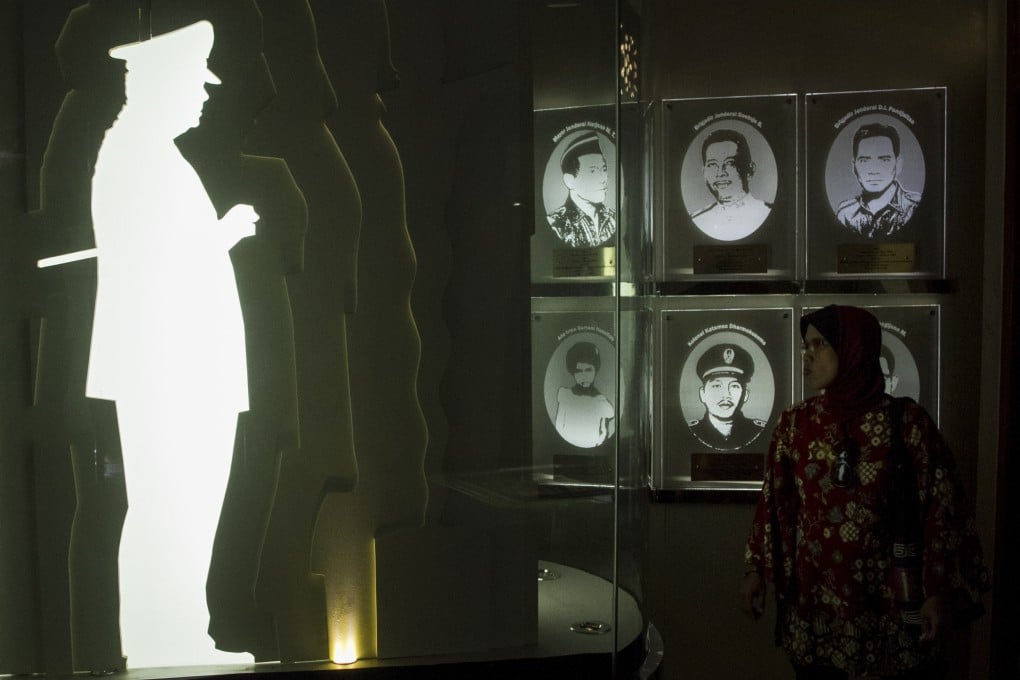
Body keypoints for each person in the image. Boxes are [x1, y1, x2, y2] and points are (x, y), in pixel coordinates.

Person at [740, 305, 989, 679]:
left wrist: (937, 590)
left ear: (853, 347)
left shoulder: (907, 423)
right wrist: (756, 568)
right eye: (805, 345)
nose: (807, 355)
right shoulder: (796, 424)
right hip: (816, 608)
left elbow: (940, 510)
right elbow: (775, 502)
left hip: (887, 603)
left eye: (820, 344)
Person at [836, 122, 921, 238]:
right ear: (853, 166)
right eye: (864, 161)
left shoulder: (914, 207)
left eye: (884, 160)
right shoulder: (845, 213)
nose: (874, 170)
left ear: (898, 165)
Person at [690, 128, 772, 241]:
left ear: (750, 170)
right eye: (712, 165)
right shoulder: (697, 219)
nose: (720, 173)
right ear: (704, 173)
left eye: (730, 163)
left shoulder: (767, 212)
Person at [688, 343, 766, 450]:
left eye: (734, 386)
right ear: (702, 394)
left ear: (745, 395)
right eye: (716, 386)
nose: (726, 395)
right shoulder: (692, 432)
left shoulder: (758, 431)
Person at [547, 133, 617, 247]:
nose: (604, 178)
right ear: (570, 181)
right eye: (593, 171)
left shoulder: (613, 218)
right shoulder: (557, 224)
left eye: (604, 169)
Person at [554, 341, 615, 448]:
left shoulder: (601, 402)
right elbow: (559, 428)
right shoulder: (566, 396)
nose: (584, 376)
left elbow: (603, 434)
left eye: (588, 370)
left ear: (595, 370)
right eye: (578, 371)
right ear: (573, 372)